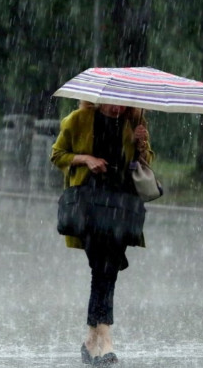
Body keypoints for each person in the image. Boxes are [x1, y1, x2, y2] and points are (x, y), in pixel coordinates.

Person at [50, 100, 154, 366]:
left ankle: (92, 340)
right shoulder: (78, 119)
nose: (118, 108)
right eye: (112, 103)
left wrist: (141, 144)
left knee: (106, 270)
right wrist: (87, 159)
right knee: (102, 268)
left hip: (121, 206)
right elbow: (57, 154)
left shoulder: (134, 123)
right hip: (88, 207)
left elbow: (145, 165)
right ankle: (104, 339)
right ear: (98, 99)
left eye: (123, 103)